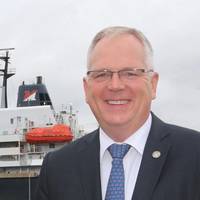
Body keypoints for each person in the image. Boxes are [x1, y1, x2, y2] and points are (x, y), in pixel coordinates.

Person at [35, 26, 200, 200]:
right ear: (86, 88)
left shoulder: (194, 156)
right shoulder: (57, 168)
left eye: (130, 73)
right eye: (101, 75)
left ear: (153, 84)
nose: (115, 85)